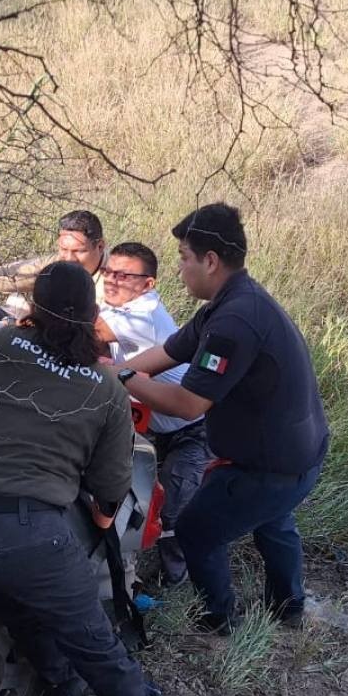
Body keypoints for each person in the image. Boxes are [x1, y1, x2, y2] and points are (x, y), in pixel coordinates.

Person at [0, 261, 174, 696]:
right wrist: (100, 521)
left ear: (34, 307)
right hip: (26, 535)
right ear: (91, 315)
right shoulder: (104, 389)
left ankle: (63, 695)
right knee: (90, 637)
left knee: (22, 612)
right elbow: (110, 488)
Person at [116, 204, 329, 634]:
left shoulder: (235, 321)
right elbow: (171, 350)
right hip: (299, 452)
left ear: (210, 260)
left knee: (197, 531)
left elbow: (188, 404)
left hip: (272, 467)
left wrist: (121, 376)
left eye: (183, 258)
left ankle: (218, 620)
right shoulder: (233, 300)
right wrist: (125, 374)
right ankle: (290, 607)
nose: (180, 269)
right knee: (274, 521)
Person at [98, 241, 211, 587]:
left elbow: (82, 331)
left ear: (148, 285)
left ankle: (177, 578)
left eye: (124, 275)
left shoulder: (145, 317)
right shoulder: (117, 305)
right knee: (143, 499)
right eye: (108, 272)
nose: (112, 281)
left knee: (175, 508)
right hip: (154, 427)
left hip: (194, 430)